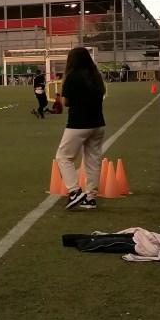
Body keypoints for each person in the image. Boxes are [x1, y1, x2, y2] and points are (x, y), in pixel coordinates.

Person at [57, 48, 106, 210]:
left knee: (63, 157)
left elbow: (65, 102)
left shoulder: (72, 77)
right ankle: (90, 198)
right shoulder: (96, 76)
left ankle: (74, 191)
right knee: (93, 161)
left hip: (78, 124)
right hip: (98, 123)